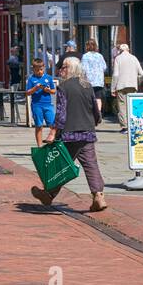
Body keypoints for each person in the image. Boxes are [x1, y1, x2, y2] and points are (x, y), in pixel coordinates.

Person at [30, 57, 107, 212]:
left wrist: (53, 132)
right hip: (87, 132)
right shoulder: (87, 85)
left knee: (61, 166)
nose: (60, 70)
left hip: (69, 135)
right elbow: (95, 110)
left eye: (63, 67)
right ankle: (98, 195)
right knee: (91, 165)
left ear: (70, 69)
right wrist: (96, 120)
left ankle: (48, 195)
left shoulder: (64, 87)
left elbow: (61, 113)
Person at [112, 42, 143, 133]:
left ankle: (125, 127)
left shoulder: (118, 59)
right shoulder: (134, 58)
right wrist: (136, 82)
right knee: (132, 105)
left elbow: (115, 75)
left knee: (122, 106)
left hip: (121, 86)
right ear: (128, 50)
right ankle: (133, 125)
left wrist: (113, 88)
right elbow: (142, 74)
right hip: (132, 85)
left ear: (120, 51)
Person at [26, 57, 57, 147]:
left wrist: (48, 90)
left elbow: (54, 91)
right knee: (39, 126)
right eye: (37, 70)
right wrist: (35, 88)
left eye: (41, 69)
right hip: (36, 105)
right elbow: (28, 93)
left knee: (53, 124)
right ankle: (39, 146)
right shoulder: (31, 79)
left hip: (48, 104)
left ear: (44, 68)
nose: (39, 72)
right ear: (33, 70)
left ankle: (52, 143)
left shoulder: (48, 78)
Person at [80, 39, 108, 117]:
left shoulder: (85, 56)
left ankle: (91, 113)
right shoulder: (100, 56)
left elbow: (82, 69)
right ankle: (98, 112)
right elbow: (104, 67)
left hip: (88, 81)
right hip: (99, 81)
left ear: (87, 47)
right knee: (98, 98)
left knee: (89, 98)